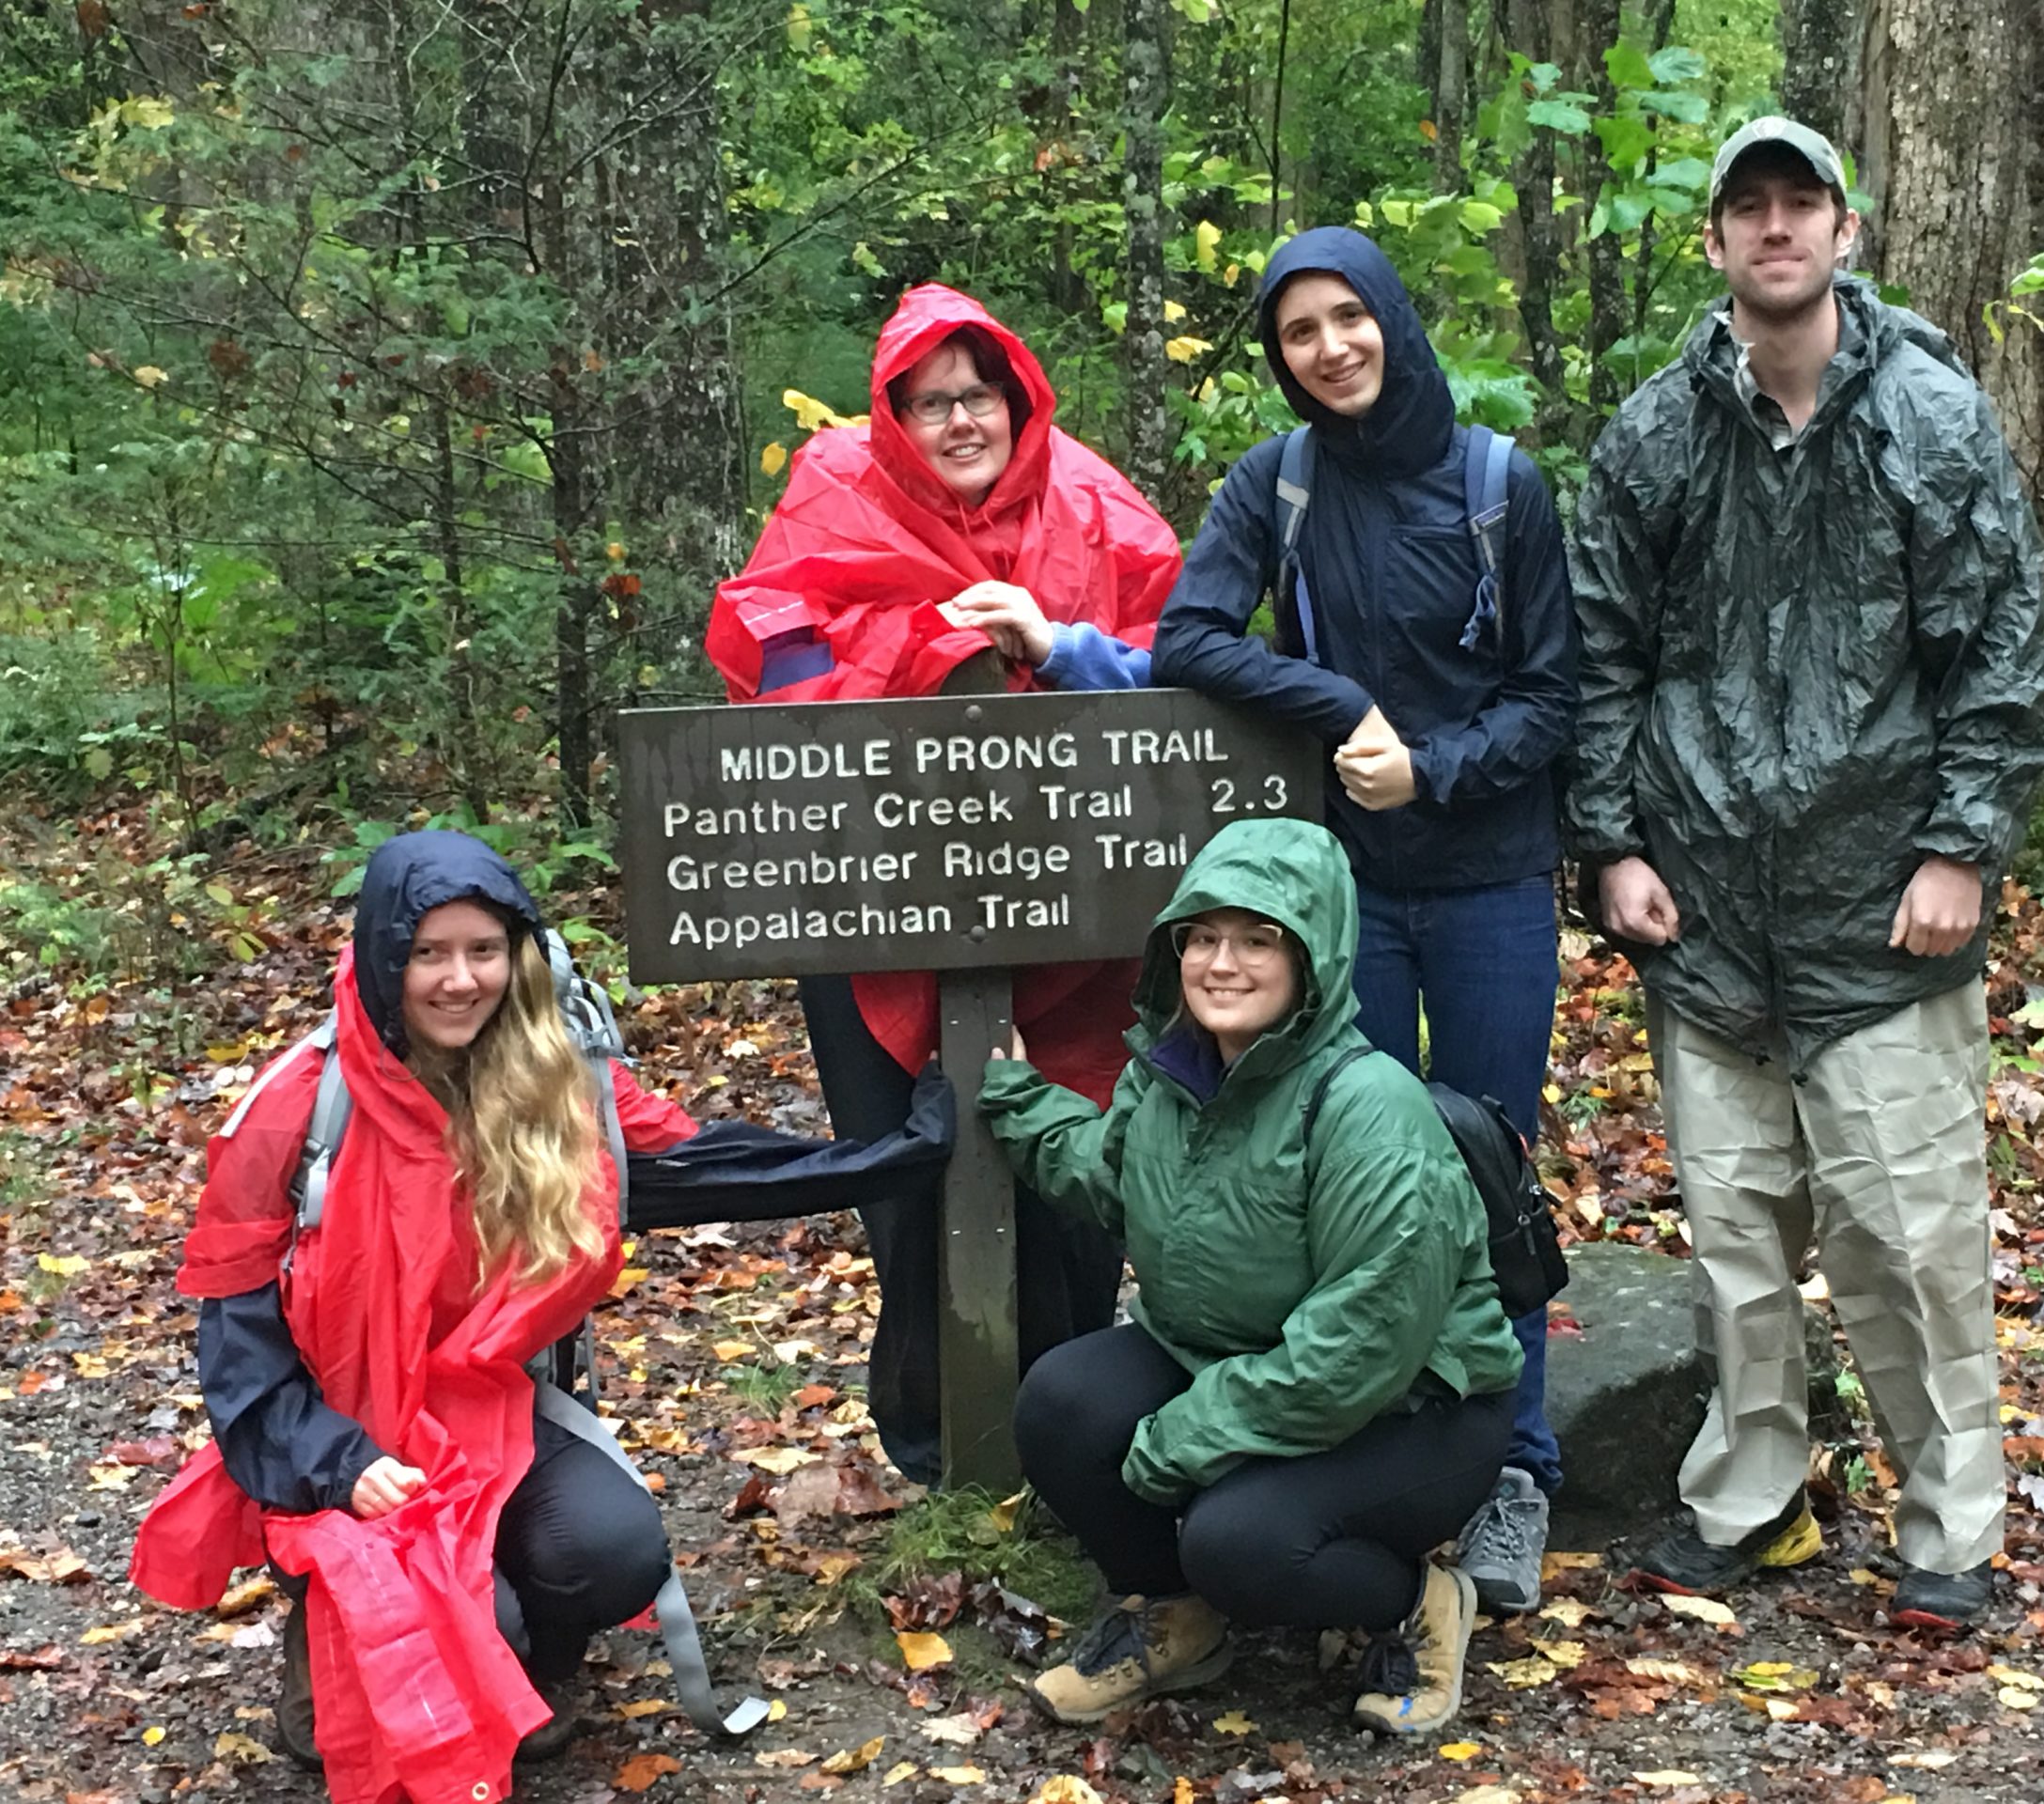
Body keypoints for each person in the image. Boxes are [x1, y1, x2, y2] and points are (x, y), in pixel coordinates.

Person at [131, 831, 949, 1801]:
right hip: (338, 1439)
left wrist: (904, 1148)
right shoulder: (301, 1110)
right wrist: (341, 1465)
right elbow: (239, 1346)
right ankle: (341, 1638)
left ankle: (522, 1658)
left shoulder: (558, 1084)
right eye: (428, 953)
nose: (458, 980)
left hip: (488, 1417)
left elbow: (703, 1164)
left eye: (483, 950)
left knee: (609, 1556)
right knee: (432, 1615)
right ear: (384, 956)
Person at [1562, 117, 2044, 1636]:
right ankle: (1748, 1498)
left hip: (1884, 914)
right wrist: (1611, 845)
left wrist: (1964, 847)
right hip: (1703, 917)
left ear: (1845, 230)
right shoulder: (1654, 436)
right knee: (1735, 1241)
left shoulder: (1931, 418)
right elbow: (1601, 658)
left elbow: (2003, 653)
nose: (1775, 230)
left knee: (1908, 1241)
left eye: (1801, 205)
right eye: (1748, 209)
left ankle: (1950, 1529)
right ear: (1714, 242)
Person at [1149, 228, 1577, 1615]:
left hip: (1494, 879)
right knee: (1355, 1172)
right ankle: (1374, 1449)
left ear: (1392, 317)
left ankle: (1513, 1470)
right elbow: (1189, 637)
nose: (1329, 348)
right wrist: (1341, 710)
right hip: (1350, 898)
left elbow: (1553, 700)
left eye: (1348, 318)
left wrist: (1432, 768)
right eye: (1297, 332)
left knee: (1486, 1160)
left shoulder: (1500, 484)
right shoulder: (1273, 486)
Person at [709, 284, 1182, 1486]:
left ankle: (1073, 1425)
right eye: (930, 403)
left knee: (1082, 1154)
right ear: (892, 416)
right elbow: (771, 658)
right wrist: (917, 658)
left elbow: (1187, 666)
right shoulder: (835, 489)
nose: (960, 422)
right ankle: (938, 1444)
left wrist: (1050, 650)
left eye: (978, 395)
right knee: (905, 1170)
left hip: (1080, 897)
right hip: (878, 901)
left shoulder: (1092, 499)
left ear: (1015, 395)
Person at [980, 818, 1522, 1734]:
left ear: (1311, 956)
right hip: (1227, 1358)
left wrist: (1182, 1435)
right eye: (1201, 937)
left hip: (1414, 1410)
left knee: (1240, 1540)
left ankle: (1417, 1604)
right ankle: (1177, 1617)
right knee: (1062, 1406)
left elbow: (1357, 1347)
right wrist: (1022, 1106)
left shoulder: (1365, 1104)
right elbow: (1115, 1175)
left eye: (1258, 939)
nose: (1221, 964)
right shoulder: (1172, 1075)